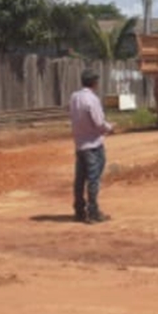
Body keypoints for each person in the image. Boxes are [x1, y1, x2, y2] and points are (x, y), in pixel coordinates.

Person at [69, 68, 114, 223]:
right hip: (93, 144)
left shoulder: (74, 97)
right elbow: (99, 122)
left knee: (80, 179)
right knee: (93, 179)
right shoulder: (92, 99)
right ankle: (93, 212)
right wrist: (110, 128)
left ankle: (79, 210)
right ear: (94, 82)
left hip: (80, 144)